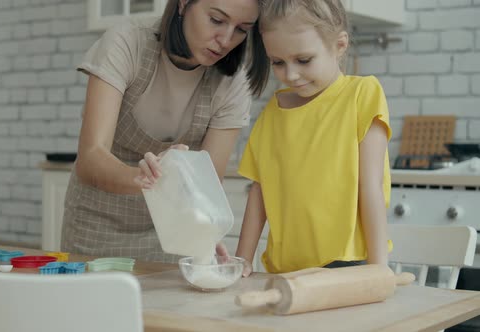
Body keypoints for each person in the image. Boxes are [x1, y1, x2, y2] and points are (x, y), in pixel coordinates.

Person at [61, 0, 270, 263]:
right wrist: (145, 178)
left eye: (242, 29)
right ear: (183, 3)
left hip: (171, 233)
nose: (226, 40)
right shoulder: (127, 42)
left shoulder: (233, 84)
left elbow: (207, 185)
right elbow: (91, 158)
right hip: (96, 224)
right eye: (216, 20)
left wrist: (206, 229)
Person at [236, 0, 392, 276]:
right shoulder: (272, 113)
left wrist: (378, 269)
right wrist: (242, 260)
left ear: (339, 45)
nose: (291, 74)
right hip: (283, 269)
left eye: (303, 60)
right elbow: (259, 192)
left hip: (347, 265)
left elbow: (371, 186)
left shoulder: (362, 95)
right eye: (278, 63)